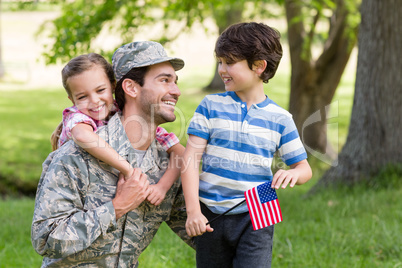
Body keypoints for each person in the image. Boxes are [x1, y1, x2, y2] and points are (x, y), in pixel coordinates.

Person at [31, 41, 192, 267]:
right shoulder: (75, 155)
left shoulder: (164, 164)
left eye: (175, 82)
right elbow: (44, 239)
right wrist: (117, 207)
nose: (176, 91)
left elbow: (204, 232)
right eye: (165, 80)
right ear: (131, 88)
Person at [181, 22, 312, 267]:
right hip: (212, 213)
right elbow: (190, 161)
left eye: (229, 62)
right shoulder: (210, 106)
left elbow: (304, 169)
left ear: (259, 66)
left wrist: (292, 173)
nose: (222, 69)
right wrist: (193, 212)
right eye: (220, 61)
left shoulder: (280, 119)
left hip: (258, 214)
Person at [50, 52, 184, 206]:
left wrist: (162, 187)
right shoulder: (77, 117)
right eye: (82, 97)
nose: (94, 101)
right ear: (72, 100)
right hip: (75, 192)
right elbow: (82, 137)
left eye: (100, 91)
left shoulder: (118, 113)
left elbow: (179, 151)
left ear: (113, 86)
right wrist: (128, 170)